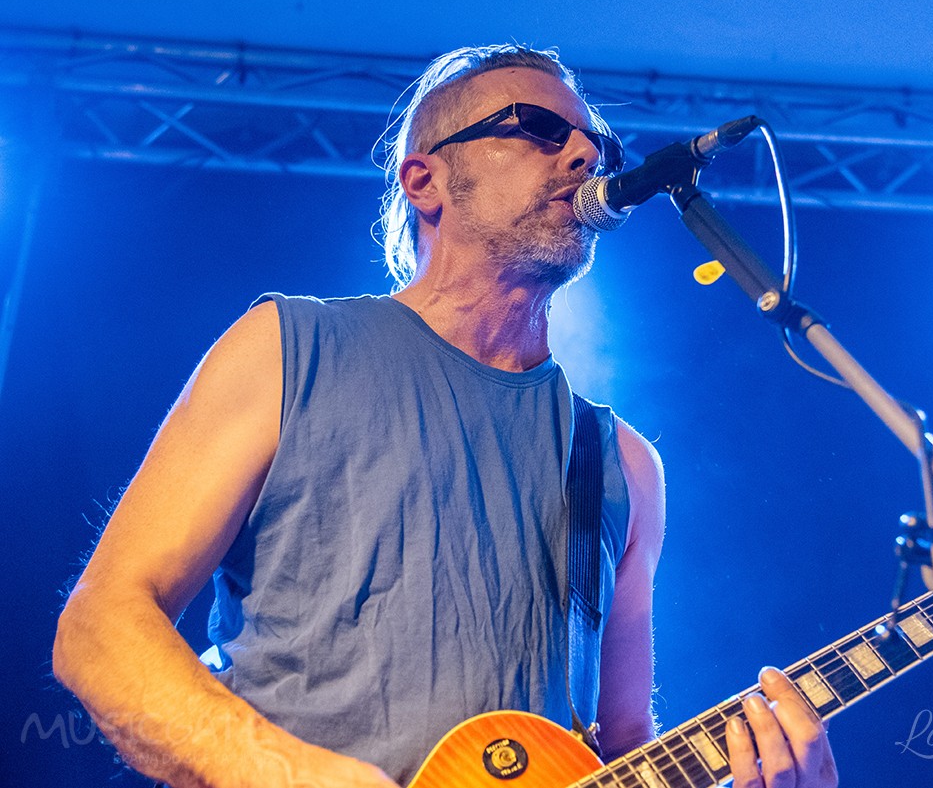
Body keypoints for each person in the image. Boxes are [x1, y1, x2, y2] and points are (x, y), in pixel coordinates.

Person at [52, 44, 837, 788]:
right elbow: (101, 627)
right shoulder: (289, 348)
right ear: (425, 181)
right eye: (538, 127)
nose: (584, 155)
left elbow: (624, 743)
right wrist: (290, 773)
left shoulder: (621, 462)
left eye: (597, 144)